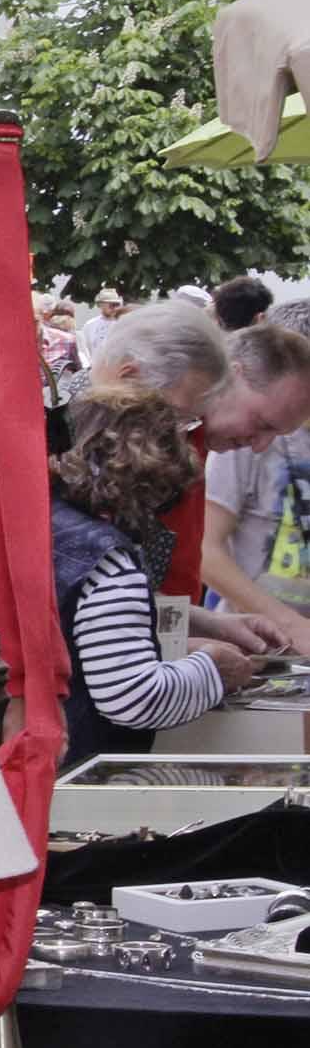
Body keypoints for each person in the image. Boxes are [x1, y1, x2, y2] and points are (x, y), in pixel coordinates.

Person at [52, 386, 253, 771]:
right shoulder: (111, 562)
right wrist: (213, 669)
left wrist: (205, 622)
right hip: (83, 773)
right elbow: (133, 696)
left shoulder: (44, 525)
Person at [93, 305, 310, 630]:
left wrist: (207, 632)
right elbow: (102, 599)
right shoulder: (95, 454)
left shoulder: (188, 442)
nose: (260, 445)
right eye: (262, 423)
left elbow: (150, 592)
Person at [202, 301, 310, 653]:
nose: (262, 443)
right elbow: (205, 550)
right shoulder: (236, 441)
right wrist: (291, 625)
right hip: (262, 649)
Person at [78, 285, 124, 367]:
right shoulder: (90, 325)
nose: (114, 307)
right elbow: (84, 349)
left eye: (116, 304)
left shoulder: (122, 324)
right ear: (100, 305)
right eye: (111, 304)